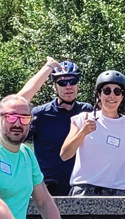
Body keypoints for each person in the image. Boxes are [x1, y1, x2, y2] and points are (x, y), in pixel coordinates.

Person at [58, 70, 125, 196]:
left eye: (117, 92)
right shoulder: (82, 119)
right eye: (107, 91)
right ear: (99, 95)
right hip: (85, 190)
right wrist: (82, 133)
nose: (112, 96)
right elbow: (64, 154)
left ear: (122, 96)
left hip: (118, 192)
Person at [30, 61, 94, 196]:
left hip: (80, 185)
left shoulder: (87, 111)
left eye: (73, 81)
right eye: (62, 83)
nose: (68, 86)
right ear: (54, 87)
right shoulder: (40, 114)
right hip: (48, 186)